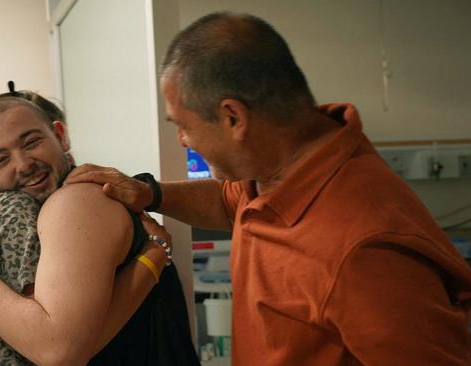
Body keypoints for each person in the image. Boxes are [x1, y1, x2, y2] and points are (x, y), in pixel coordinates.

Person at [65, 11, 471, 366]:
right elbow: (230, 202)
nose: (183, 141)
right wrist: (151, 193)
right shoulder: (284, 171)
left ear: (233, 117)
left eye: (183, 126)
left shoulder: (363, 252)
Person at [0, 87, 199, 365]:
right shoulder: (13, 222)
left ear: (60, 136)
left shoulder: (76, 201)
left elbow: (59, 352)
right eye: (1, 159)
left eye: (31, 142)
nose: (24, 164)